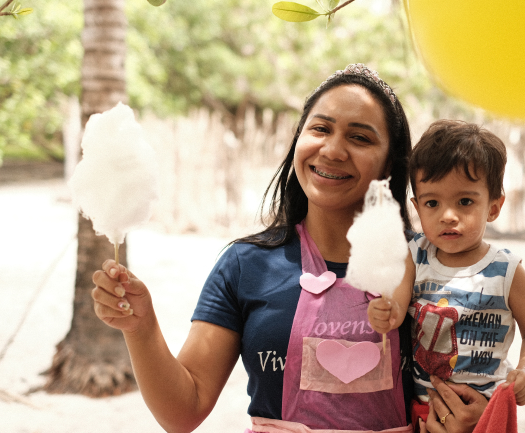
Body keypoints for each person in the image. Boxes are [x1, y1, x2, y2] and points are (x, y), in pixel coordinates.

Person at [91, 65, 488, 433]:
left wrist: (471, 416)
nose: (332, 150)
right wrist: (140, 328)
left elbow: (470, 378)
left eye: (359, 137)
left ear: (389, 165)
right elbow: (183, 410)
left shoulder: (427, 266)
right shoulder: (244, 266)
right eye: (320, 129)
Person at [368, 119, 525, 432]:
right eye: (432, 203)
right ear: (417, 207)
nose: (448, 215)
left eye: (465, 201)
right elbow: (396, 308)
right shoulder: (415, 254)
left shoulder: (506, 271)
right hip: (423, 412)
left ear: (493, 207)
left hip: (486, 415)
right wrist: (384, 313)